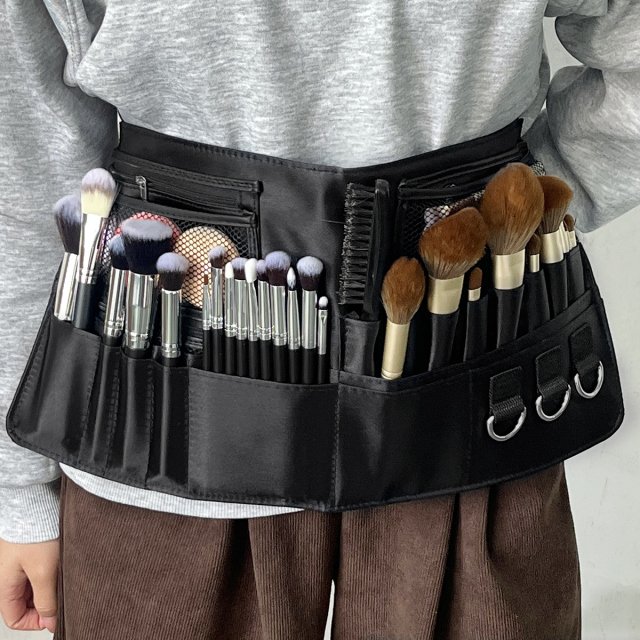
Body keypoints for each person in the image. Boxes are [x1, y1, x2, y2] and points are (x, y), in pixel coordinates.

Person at [0, 1, 638, 638]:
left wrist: (520, 214)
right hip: (166, 455)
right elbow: (29, 164)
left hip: (465, 429)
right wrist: (20, 490)